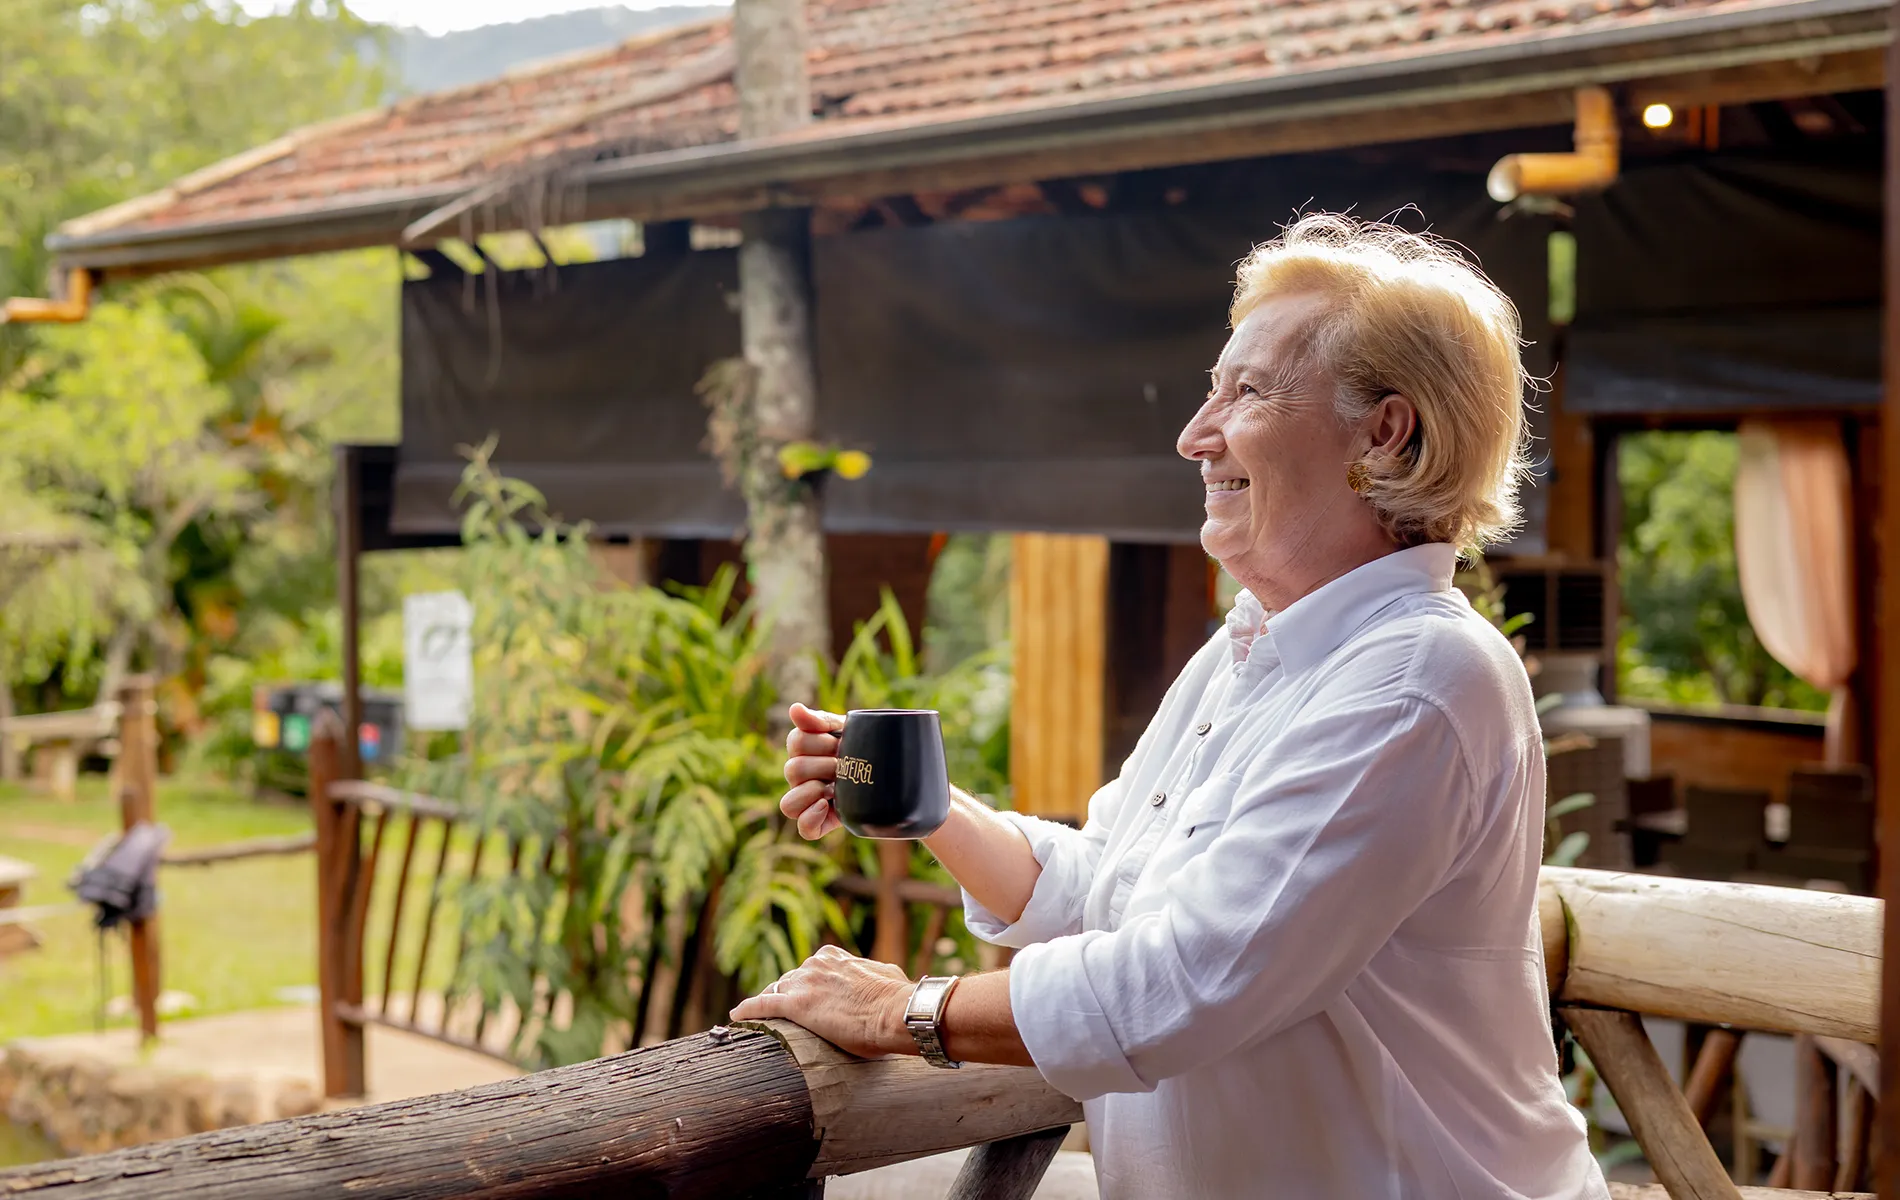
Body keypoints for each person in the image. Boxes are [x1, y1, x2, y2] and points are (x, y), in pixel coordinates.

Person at [730, 213, 1609, 1199]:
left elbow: (1183, 983)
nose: (1195, 436)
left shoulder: (1417, 677)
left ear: (1383, 430)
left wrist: (905, 1011)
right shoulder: (1250, 649)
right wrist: (936, 809)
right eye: (1209, 391)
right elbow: (1107, 885)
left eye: (1247, 392)